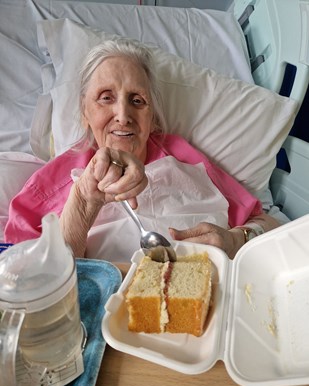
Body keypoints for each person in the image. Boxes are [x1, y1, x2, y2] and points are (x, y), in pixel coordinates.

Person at [4, 38, 280, 261]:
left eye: (137, 101)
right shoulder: (51, 184)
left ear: (153, 118)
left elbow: (266, 223)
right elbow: (23, 273)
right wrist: (84, 202)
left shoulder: (182, 156)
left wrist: (236, 239)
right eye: (106, 98)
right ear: (84, 112)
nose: (123, 115)